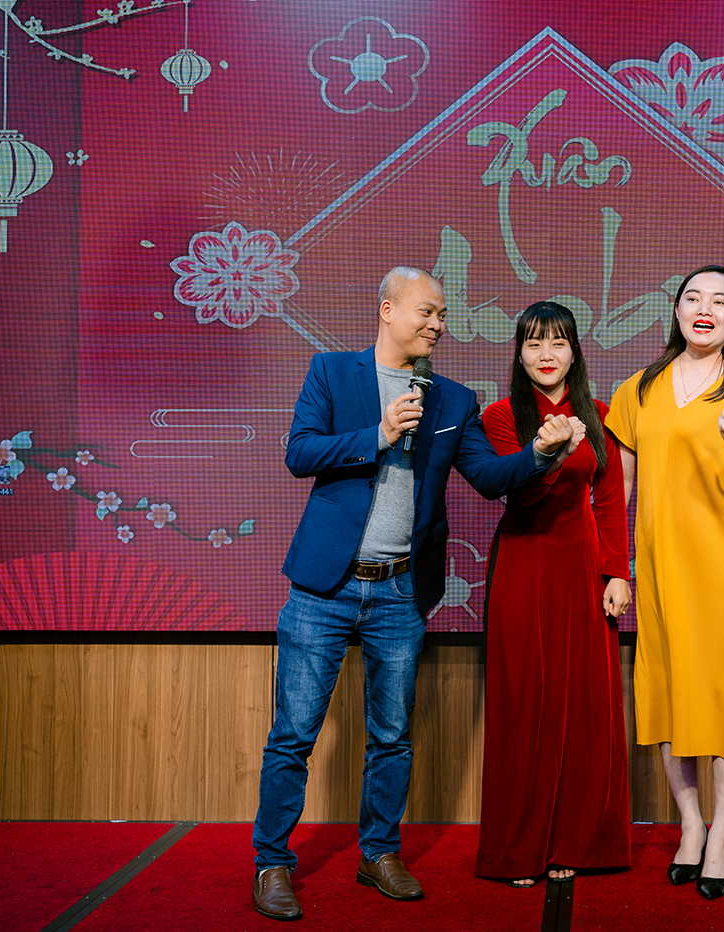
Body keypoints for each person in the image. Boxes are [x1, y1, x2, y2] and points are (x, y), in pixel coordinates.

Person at [251, 267, 580, 921]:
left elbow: (489, 476)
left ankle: (378, 854)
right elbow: (299, 453)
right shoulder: (332, 372)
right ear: (387, 310)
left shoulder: (452, 400)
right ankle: (272, 863)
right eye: (427, 312)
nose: (438, 324)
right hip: (322, 589)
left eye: (442, 315)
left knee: (392, 735)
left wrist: (541, 455)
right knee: (293, 734)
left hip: (400, 591)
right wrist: (376, 435)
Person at [604, 265, 724, 902]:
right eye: (692, 297)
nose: (704, 309)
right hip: (658, 568)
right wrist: (617, 567)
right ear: (676, 310)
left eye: (720, 301)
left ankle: (722, 834)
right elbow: (620, 492)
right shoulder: (638, 388)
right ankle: (689, 826)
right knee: (667, 694)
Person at [474, 300, 633, 887]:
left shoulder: (602, 414)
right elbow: (520, 497)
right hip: (523, 560)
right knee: (523, 701)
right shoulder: (499, 417)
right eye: (534, 342)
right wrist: (551, 453)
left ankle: (578, 842)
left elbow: (610, 499)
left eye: (558, 342)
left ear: (575, 351)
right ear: (519, 353)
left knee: (585, 702)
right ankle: (519, 849)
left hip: (583, 564)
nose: (546, 354)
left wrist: (617, 572)